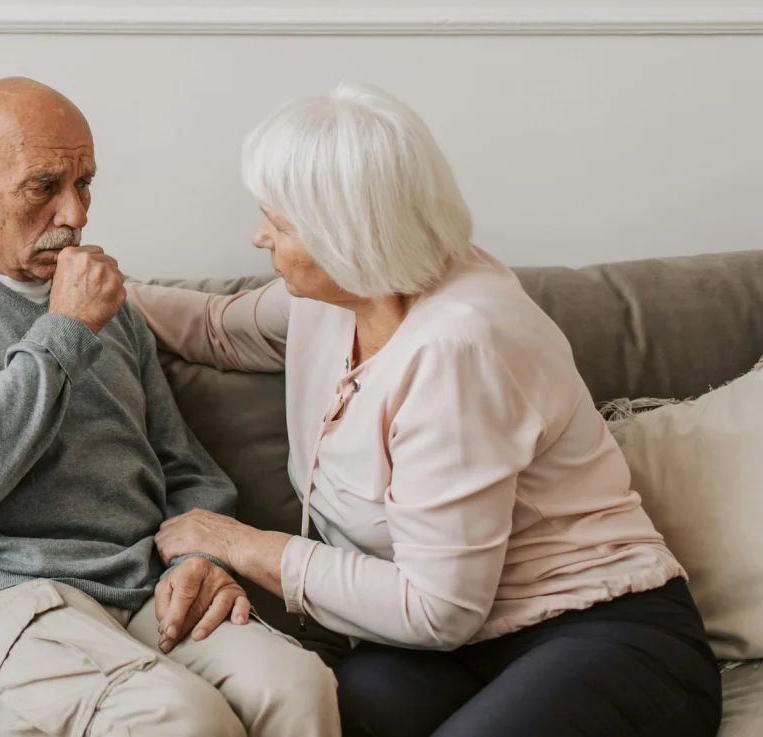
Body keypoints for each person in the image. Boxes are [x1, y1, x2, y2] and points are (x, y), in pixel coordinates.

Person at [125, 82, 723, 737]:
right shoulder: (335, 299)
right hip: (449, 652)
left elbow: (438, 609)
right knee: (313, 719)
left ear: (342, 234)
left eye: (281, 222)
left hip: (601, 630)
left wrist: (231, 540)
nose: (258, 234)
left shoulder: (460, 345)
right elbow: (214, 328)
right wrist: (79, 289)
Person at [0, 77, 338, 737]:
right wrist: (66, 329)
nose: (75, 214)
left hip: (136, 583)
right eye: (44, 186)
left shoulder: (112, 309)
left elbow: (185, 467)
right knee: (179, 717)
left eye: (85, 184)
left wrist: (199, 560)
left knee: (298, 685)